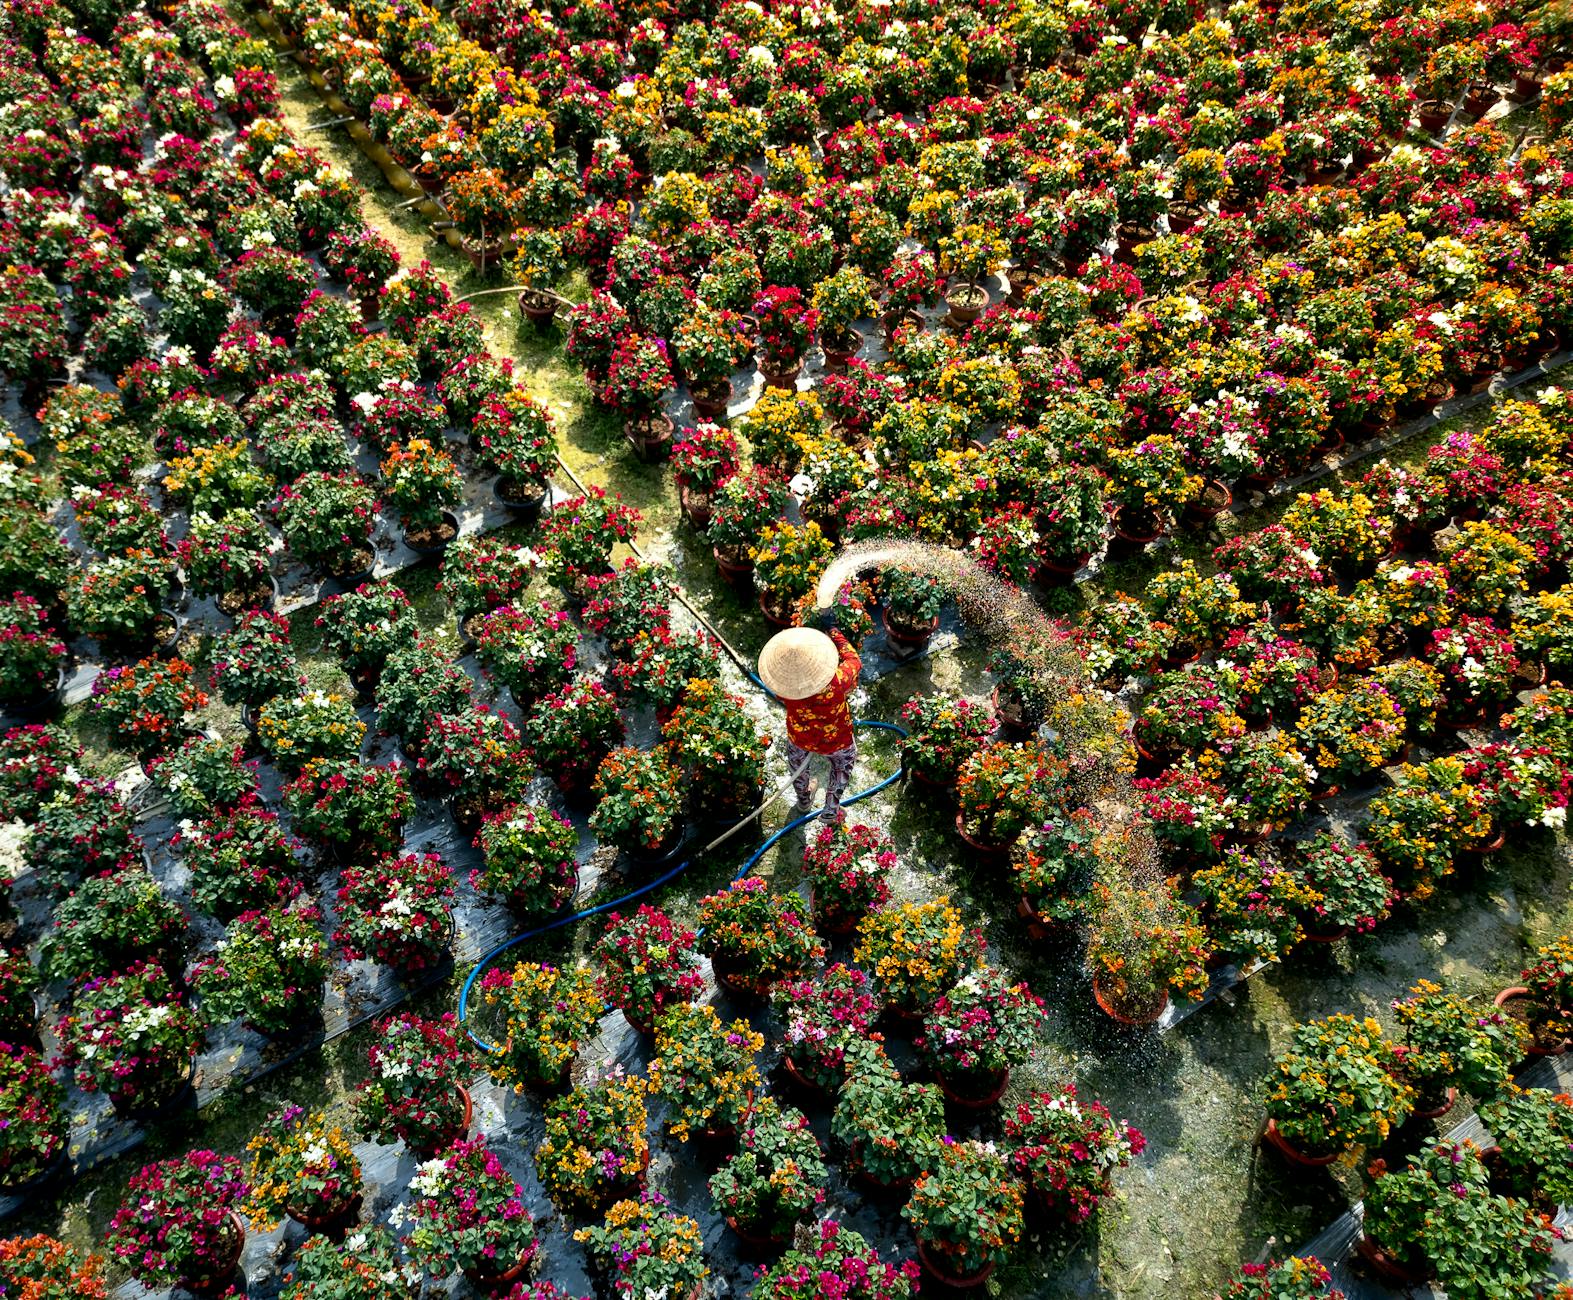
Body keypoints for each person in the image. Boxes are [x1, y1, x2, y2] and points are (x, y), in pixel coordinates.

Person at [757, 625, 862, 820]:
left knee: (798, 768)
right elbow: (853, 659)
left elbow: (778, 691)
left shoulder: (785, 689)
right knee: (842, 767)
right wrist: (834, 631)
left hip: (800, 737)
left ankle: (804, 801)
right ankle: (831, 810)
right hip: (837, 739)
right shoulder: (838, 681)